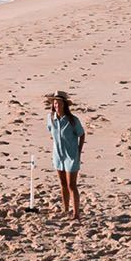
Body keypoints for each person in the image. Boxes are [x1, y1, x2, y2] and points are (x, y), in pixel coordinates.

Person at [46, 91, 85, 219]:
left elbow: (81, 134)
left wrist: (79, 150)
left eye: (58, 103)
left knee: (71, 185)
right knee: (62, 183)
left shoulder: (73, 120)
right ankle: (66, 209)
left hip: (71, 156)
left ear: (64, 105)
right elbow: (51, 132)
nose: (56, 105)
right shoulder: (51, 118)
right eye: (54, 103)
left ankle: (76, 213)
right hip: (58, 155)